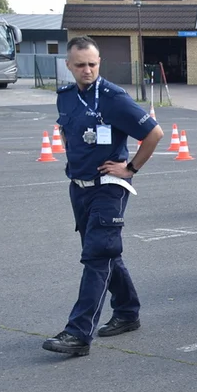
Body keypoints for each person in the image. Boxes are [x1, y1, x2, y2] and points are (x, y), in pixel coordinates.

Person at [42, 36, 165, 356]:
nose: (87, 70)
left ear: (99, 64)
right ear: (68, 66)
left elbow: (154, 133)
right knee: (106, 253)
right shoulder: (66, 97)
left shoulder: (113, 97)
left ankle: (78, 333)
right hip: (79, 187)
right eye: (80, 65)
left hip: (109, 187)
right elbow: (66, 133)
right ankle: (127, 312)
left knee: (97, 257)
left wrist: (132, 167)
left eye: (92, 65)